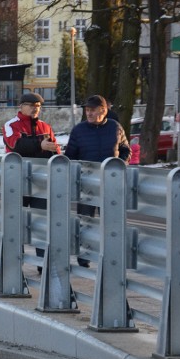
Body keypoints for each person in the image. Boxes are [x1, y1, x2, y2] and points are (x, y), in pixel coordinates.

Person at [64, 94, 132, 267]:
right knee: (85, 221)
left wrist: (120, 164)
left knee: (111, 221)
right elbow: (70, 157)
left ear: (103, 110)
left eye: (92, 110)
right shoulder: (79, 130)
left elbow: (126, 149)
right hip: (87, 185)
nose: (89, 113)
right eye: (87, 110)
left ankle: (110, 256)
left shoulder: (115, 127)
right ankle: (84, 257)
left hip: (110, 183)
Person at [2, 92, 61, 272]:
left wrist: (56, 154)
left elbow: (55, 149)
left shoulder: (45, 126)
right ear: (20, 106)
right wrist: (39, 145)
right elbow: (15, 144)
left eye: (38, 106)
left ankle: (43, 265)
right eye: (30, 105)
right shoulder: (11, 125)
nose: (35, 108)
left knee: (41, 222)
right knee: (14, 221)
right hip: (16, 181)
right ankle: (14, 263)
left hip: (40, 182)